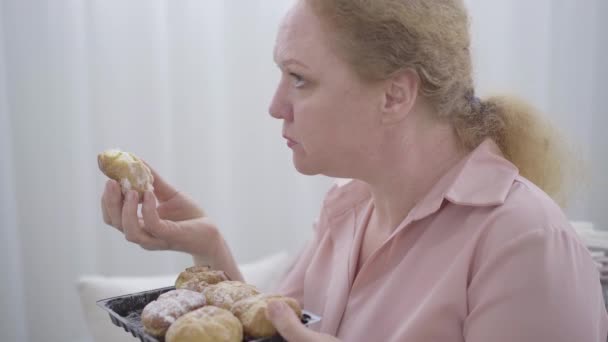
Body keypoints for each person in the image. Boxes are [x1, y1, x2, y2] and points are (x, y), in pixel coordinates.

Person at [100, 0, 608, 341]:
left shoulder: (525, 241)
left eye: (299, 79)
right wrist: (208, 248)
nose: (275, 106)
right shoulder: (348, 207)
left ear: (394, 94)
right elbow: (274, 329)